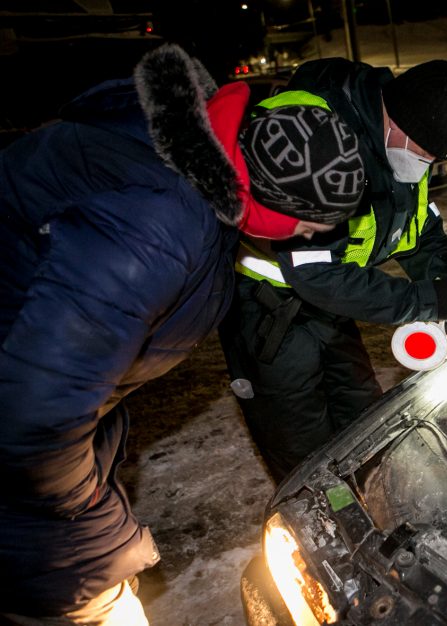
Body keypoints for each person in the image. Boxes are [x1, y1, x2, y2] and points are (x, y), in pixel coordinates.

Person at [0, 44, 364, 625]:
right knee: (86, 584)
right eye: (309, 227)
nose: (308, 241)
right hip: (26, 431)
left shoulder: (198, 160)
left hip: (42, 392)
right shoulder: (159, 226)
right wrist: (78, 504)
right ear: (272, 206)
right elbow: (34, 415)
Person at [219, 58, 447, 481]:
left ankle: (372, 500)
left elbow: (420, 233)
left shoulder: (404, 147)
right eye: (426, 154)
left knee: (362, 416)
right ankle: (320, 533)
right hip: (269, 312)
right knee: (301, 442)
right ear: (396, 122)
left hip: (336, 302)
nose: (426, 166)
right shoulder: (318, 137)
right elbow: (314, 273)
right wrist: (422, 301)